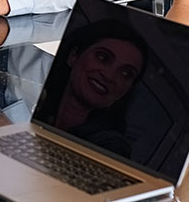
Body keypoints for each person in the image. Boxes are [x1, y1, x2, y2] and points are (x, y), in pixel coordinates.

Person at [37, 20, 148, 157]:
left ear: (127, 90)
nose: (109, 76)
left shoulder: (112, 146)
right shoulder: (37, 100)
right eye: (103, 58)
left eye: (126, 74)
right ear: (73, 56)